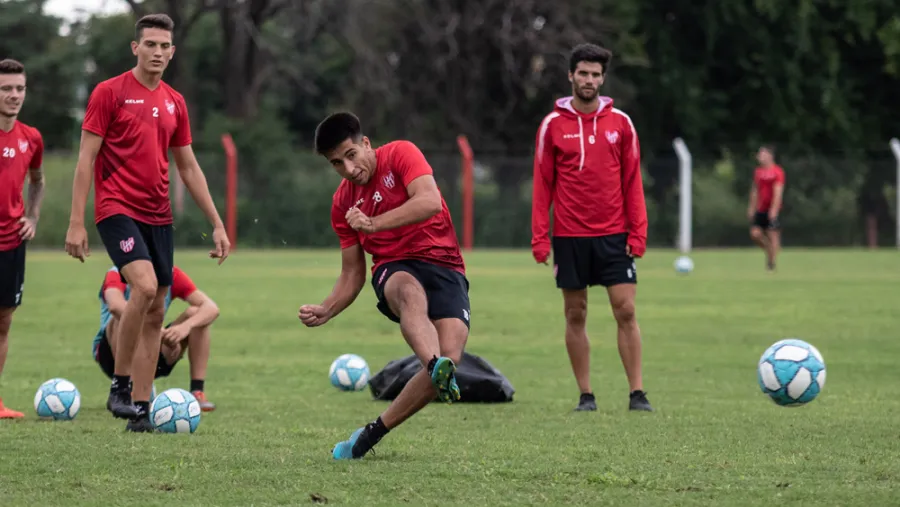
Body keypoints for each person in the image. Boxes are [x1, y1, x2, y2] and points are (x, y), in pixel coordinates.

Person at [64, 13, 230, 432]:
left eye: (164, 46)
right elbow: (85, 158)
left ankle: (140, 409)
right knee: (143, 285)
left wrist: (217, 222)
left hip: (160, 216)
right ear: (135, 48)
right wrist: (75, 222)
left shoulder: (175, 101)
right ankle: (119, 386)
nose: (157, 52)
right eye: (149, 44)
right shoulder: (109, 92)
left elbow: (188, 166)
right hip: (116, 209)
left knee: (156, 311)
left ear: (172, 52)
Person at [299, 112, 470, 460]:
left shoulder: (401, 154)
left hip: (445, 263)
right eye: (336, 163)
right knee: (408, 294)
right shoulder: (343, 203)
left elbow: (429, 201)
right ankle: (433, 363)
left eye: (350, 155)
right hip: (394, 266)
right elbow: (352, 273)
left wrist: (374, 224)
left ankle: (370, 434)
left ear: (365, 144)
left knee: (452, 355)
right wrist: (327, 307)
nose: (347, 169)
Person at [531, 43, 653, 413]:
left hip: (614, 235)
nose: (589, 80)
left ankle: (637, 393)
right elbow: (542, 185)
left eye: (595, 74)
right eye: (582, 73)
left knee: (626, 310)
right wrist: (540, 237)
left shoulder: (621, 124)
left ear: (603, 79)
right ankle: (586, 395)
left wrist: (638, 231)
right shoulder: (552, 125)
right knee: (576, 313)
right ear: (571, 75)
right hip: (569, 236)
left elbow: (633, 181)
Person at [93, 265, 219, 412]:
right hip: (114, 356)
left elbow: (211, 308)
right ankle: (128, 388)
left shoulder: (170, 273)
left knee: (196, 314)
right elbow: (115, 306)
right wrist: (159, 333)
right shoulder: (118, 272)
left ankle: (197, 392)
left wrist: (184, 328)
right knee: (121, 318)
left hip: (151, 348)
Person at [0, 59, 45, 419]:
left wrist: (32, 216)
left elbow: (38, 181)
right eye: (6, 89)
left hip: (12, 244)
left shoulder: (31, 137)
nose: (14, 95)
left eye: (19, 88)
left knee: (3, 322)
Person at [747, 145, 785, 271]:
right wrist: (751, 207)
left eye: (762, 154)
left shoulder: (777, 172)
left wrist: (773, 211)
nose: (759, 156)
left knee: (773, 235)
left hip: (772, 209)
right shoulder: (758, 172)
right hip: (761, 209)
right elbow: (755, 191)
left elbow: (778, 192)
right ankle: (769, 250)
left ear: (770, 156)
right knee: (755, 234)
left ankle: (771, 264)